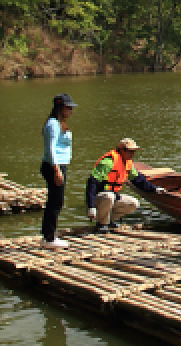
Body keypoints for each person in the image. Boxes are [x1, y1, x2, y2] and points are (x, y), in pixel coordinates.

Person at [83, 136, 142, 232]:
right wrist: (91, 206)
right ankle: (102, 225)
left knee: (133, 203)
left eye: (134, 151)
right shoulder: (108, 162)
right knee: (109, 196)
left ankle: (108, 221)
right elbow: (92, 183)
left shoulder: (127, 163)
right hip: (99, 198)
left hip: (112, 196)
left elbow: (138, 180)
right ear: (121, 150)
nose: (132, 154)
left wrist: (155, 189)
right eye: (130, 151)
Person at [40, 95, 76, 247]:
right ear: (60, 108)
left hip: (59, 166)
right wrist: (56, 170)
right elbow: (51, 148)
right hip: (54, 166)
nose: (71, 111)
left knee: (56, 201)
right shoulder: (53, 124)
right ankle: (49, 237)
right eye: (69, 108)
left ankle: (48, 235)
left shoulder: (59, 123)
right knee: (56, 202)